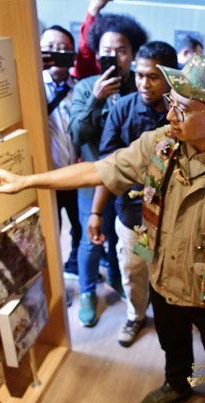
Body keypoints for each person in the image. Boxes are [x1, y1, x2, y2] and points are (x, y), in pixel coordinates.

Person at [0, 54, 205, 403]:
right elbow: (100, 170)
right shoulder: (159, 143)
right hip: (164, 282)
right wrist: (27, 181)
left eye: (182, 109)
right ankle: (177, 384)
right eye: (170, 104)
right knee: (172, 344)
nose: (170, 115)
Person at [87, 41, 177, 347]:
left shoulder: (183, 112)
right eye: (139, 75)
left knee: (169, 276)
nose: (143, 83)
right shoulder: (123, 109)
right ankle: (136, 315)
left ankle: (173, 328)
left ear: (171, 77)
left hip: (173, 218)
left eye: (152, 76)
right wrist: (96, 212)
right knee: (133, 271)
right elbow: (107, 168)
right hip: (132, 215)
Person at [68, 13, 147, 327]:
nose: (114, 57)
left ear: (133, 53)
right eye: (106, 50)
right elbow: (77, 135)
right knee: (91, 239)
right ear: (96, 52)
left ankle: (116, 277)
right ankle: (87, 291)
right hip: (92, 179)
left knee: (124, 235)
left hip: (131, 180)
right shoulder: (87, 87)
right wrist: (96, 101)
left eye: (122, 50)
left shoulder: (141, 87)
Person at [40, 25, 82, 280]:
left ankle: (75, 262)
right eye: (50, 48)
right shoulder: (30, 86)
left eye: (64, 49)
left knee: (78, 226)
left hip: (75, 174)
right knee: (50, 230)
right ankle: (54, 281)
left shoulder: (79, 88)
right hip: (47, 177)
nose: (56, 53)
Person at [71, 0, 111, 79]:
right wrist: (93, 10)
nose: (113, 54)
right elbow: (86, 51)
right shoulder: (88, 77)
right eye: (107, 50)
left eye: (121, 50)